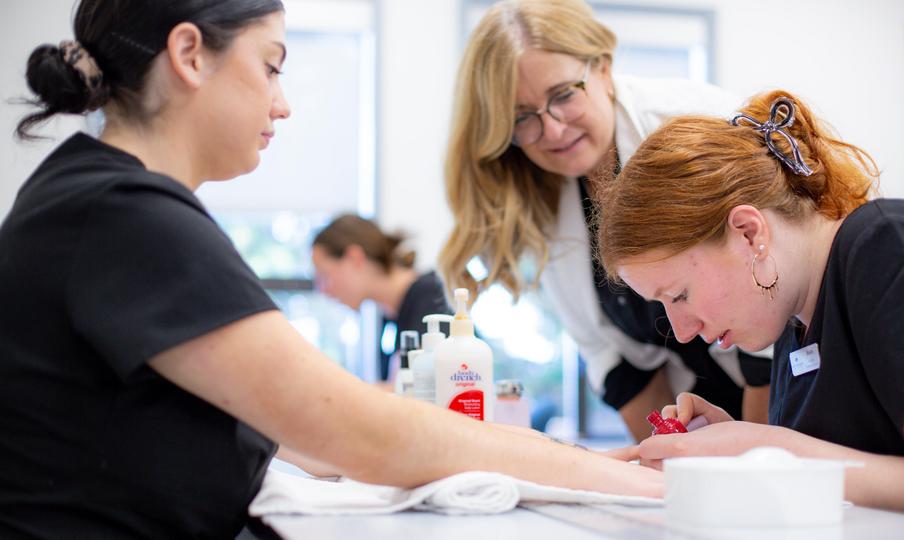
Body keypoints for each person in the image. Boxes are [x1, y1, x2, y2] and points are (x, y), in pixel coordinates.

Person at [0, 1, 662, 537]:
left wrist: (581, 467)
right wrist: (607, 473)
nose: (282, 104)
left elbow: (306, 430)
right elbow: (358, 433)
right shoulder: (126, 215)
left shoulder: (100, 199)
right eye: (271, 66)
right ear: (189, 55)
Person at [595, 89, 904, 519]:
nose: (682, 332)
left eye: (680, 295)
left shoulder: (889, 245)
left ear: (749, 232)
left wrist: (765, 446)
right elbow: (858, 475)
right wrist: (742, 453)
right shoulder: (793, 328)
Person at [438, 0, 771, 442]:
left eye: (562, 95)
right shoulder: (541, 189)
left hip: (787, 389)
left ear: (604, 69)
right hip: (708, 405)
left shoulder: (696, 123)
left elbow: (768, 316)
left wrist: (747, 461)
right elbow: (618, 365)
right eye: (522, 118)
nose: (553, 130)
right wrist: (661, 468)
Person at [311, 213, 450, 381]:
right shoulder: (390, 315)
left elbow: (413, 388)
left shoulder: (429, 297)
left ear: (354, 258)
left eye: (324, 276)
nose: (324, 290)